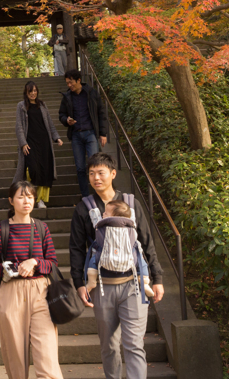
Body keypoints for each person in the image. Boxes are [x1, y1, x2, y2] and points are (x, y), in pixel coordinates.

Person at [69, 153, 164, 379]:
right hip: (102, 288)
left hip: (133, 285)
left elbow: (146, 242)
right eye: (91, 173)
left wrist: (157, 277)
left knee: (134, 345)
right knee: (109, 346)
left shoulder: (131, 204)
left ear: (113, 173)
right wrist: (79, 283)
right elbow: (76, 248)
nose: (96, 178)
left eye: (101, 172)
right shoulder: (84, 208)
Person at [0, 181, 64, 379]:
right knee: (15, 358)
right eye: (21, 197)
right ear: (11, 201)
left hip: (41, 292)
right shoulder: (1, 229)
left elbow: (53, 263)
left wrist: (35, 262)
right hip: (11, 291)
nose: (26, 201)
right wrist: (6, 270)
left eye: (30, 196)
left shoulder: (41, 228)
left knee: (47, 357)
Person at [84, 200, 154, 304]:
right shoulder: (131, 226)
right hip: (130, 259)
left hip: (103, 258)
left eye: (106, 213)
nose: (103, 214)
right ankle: (145, 283)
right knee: (141, 261)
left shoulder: (102, 227)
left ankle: (91, 281)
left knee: (93, 260)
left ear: (114, 217)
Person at [13, 81, 63, 209]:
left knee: (45, 171)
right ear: (26, 92)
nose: (33, 93)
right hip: (30, 143)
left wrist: (56, 137)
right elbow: (19, 126)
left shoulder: (42, 105)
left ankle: (41, 200)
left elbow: (50, 123)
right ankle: (29, 195)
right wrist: (23, 143)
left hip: (44, 142)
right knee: (32, 170)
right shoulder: (21, 106)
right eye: (30, 91)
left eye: (35, 91)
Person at [59, 69, 109, 197]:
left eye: (71, 83)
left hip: (90, 134)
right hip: (76, 135)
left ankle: (98, 194)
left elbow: (101, 113)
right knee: (80, 168)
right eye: (67, 83)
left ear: (79, 80)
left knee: (95, 166)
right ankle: (86, 196)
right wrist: (67, 120)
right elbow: (61, 114)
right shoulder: (67, 97)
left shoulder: (92, 93)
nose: (69, 85)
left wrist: (103, 133)